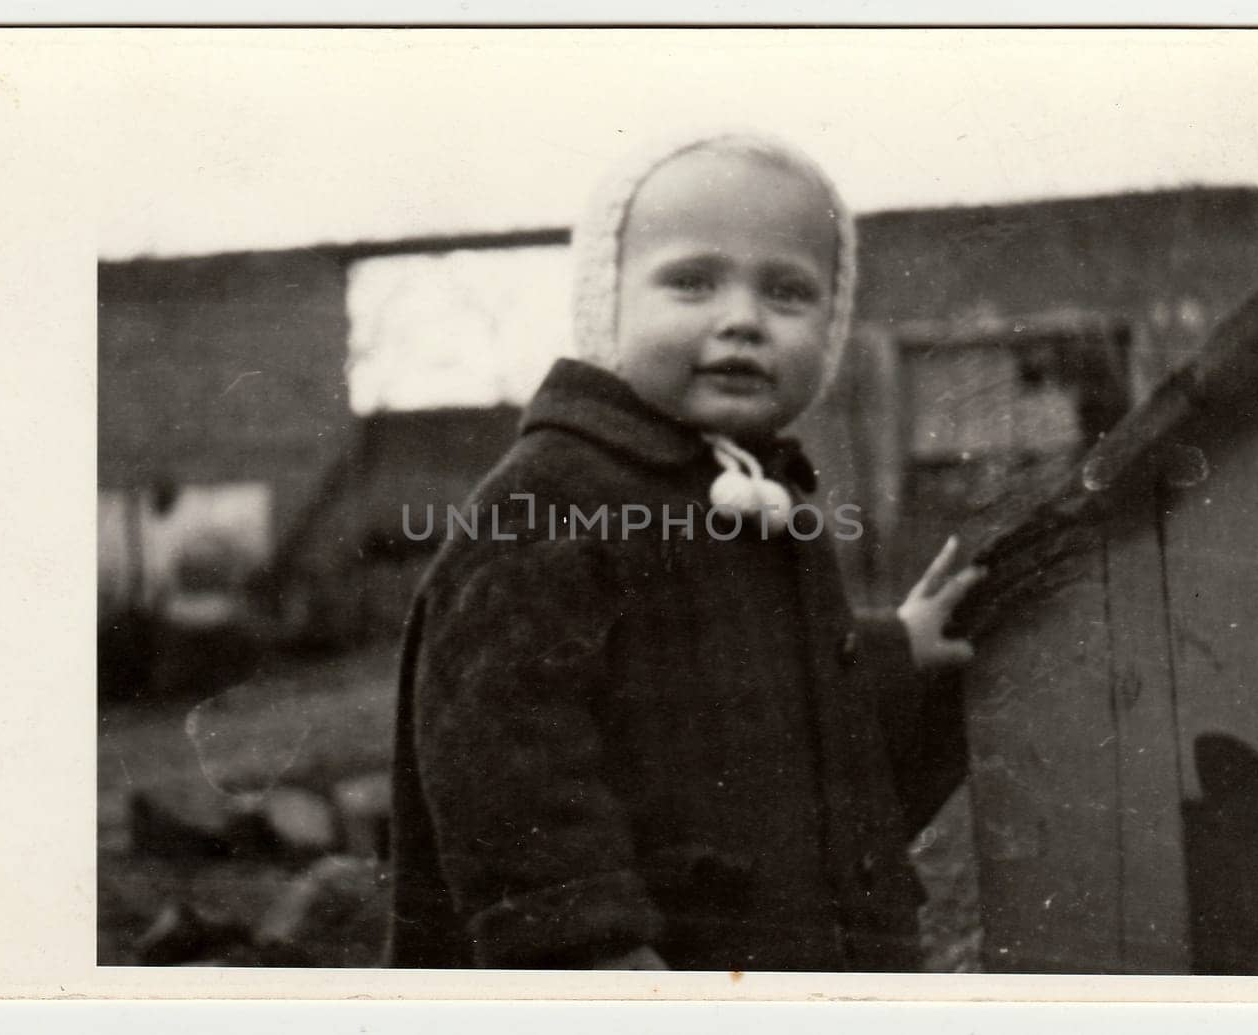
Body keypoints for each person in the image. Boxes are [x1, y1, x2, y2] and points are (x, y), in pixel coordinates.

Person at [384, 131, 983, 971]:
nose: (742, 319)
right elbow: (501, 747)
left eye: (788, 292)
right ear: (608, 306)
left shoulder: (760, 500)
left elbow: (764, 677)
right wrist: (585, 942)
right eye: (693, 281)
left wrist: (891, 646)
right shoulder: (551, 497)